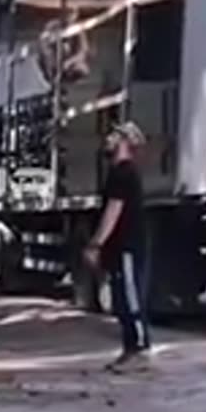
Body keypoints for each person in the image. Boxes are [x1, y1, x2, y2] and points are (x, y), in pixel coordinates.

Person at [83, 122, 152, 371]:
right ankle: (129, 349)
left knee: (131, 298)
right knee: (121, 299)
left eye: (114, 135)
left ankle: (140, 350)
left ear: (125, 142)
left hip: (128, 247)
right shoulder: (118, 172)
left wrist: (95, 244)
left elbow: (113, 212)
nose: (108, 139)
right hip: (120, 247)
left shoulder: (124, 173)